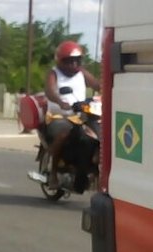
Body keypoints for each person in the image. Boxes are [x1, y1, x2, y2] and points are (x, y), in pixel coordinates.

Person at [43, 40, 101, 191]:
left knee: (99, 135)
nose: (73, 64)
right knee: (63, 134)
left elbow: (97, 85)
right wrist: (60, 102)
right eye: (69, 61)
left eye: (76, 60)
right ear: (60, 61)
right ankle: (53, 172)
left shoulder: (82, 73)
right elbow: (50, 91)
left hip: (80, 116)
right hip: (59, 117)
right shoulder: (54, 73)